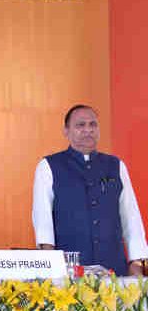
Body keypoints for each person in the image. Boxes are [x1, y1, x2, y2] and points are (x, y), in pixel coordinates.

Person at [32, 104, 148, 276]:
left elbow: (131, 216)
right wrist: (49, 264)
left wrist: (137, 261)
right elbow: (43, 220)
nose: (88, 130)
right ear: (66, 131)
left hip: (113, 266)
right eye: (80, 125)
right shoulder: (48, 166)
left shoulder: (115, 165)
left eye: (93, 125)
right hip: (69, 270)